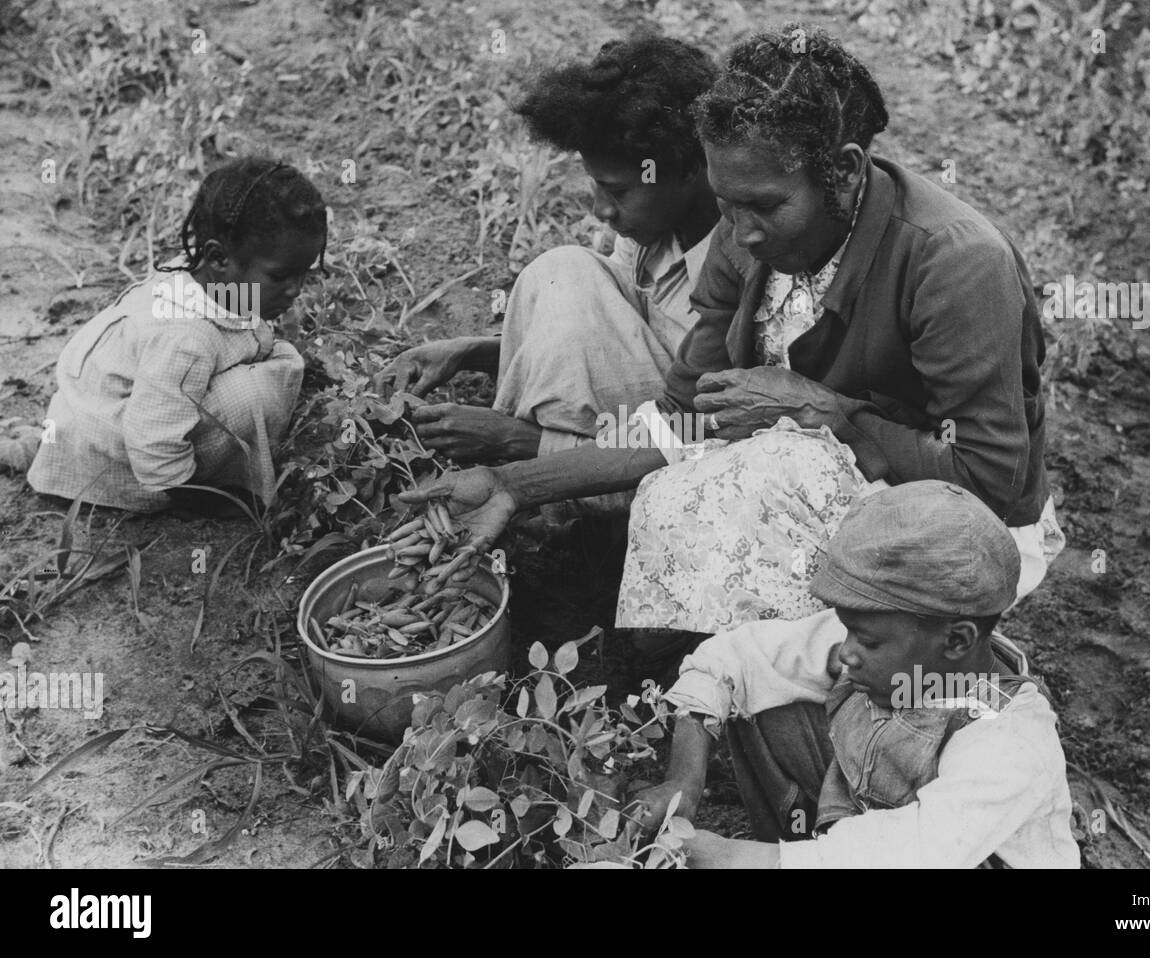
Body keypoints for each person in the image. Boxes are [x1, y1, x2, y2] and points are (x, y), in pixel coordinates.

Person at [400, 25, 1063, 653]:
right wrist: (512, 483)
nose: (742, 232)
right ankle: (706, 666)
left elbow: (993, 483)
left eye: (768, 206)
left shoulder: (953, 266)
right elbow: (680, 424)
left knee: (773, 466)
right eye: (725, 203)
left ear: (847, 170)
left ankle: (809, 688)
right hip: (802, 488)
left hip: (957, 529)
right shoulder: (744, 236)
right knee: (713, 478)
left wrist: (824, 414)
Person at [629, 481, 1081, 868]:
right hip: (863, 841)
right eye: (849, 629)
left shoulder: (1012, 743)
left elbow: (915, 854)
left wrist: (729, 857)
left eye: (867, 640)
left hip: (931, 859)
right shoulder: (892, 640)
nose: (846, 651)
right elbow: (733, 658)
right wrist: (684, 781)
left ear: (958, 640)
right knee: (768, 701)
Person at [377, 36, 720, 473]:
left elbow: (700, 436)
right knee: (563, 271)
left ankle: (550, 496)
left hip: (671, 460)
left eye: (618, 191)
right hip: (635, 426)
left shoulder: (734, 264)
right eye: (595, 185)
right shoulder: (654, 227)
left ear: (690, 170)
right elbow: (607, 331)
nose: (601, 211)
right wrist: (469, 353)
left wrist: (523, 442)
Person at [27, 158, 323, 514]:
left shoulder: (216, 283)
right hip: (119, 458)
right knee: (254, 396)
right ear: (218, 258)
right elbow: (153, 440)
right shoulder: (185, 336)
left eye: (305, 274)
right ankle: (200, 483)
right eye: (281, 277)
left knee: (269, 371)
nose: (296, 291)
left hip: (121, 415)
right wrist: (202, 500)